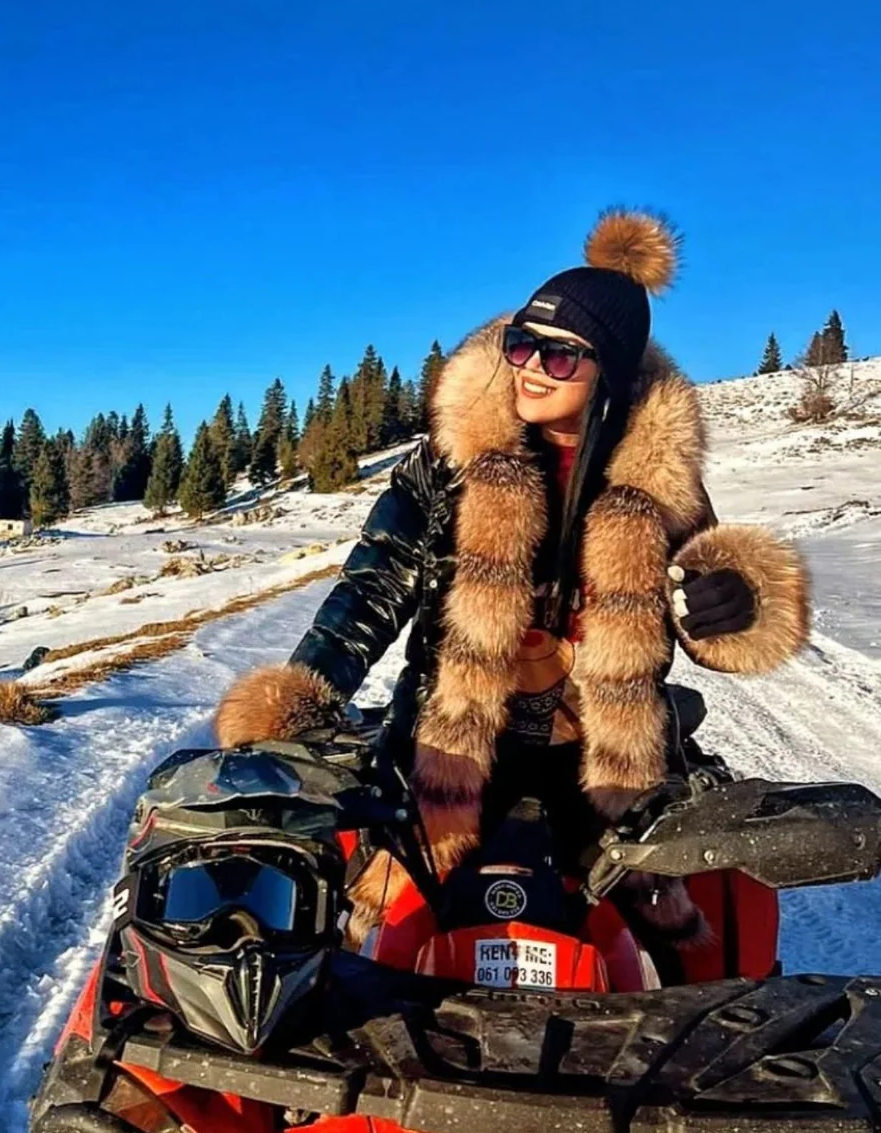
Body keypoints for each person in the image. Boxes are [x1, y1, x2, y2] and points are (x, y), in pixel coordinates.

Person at [215, 209, 809, 945]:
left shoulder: (659, 483)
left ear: (611, 371)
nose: (530, 366)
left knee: (644, 947)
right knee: (388, 935)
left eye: (560, 356)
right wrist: (300, 700)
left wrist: (738, 603)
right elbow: (372, 586)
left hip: (601, 754)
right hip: (450, 745)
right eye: (522, 344)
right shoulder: (451, 462)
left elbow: (706, 591)